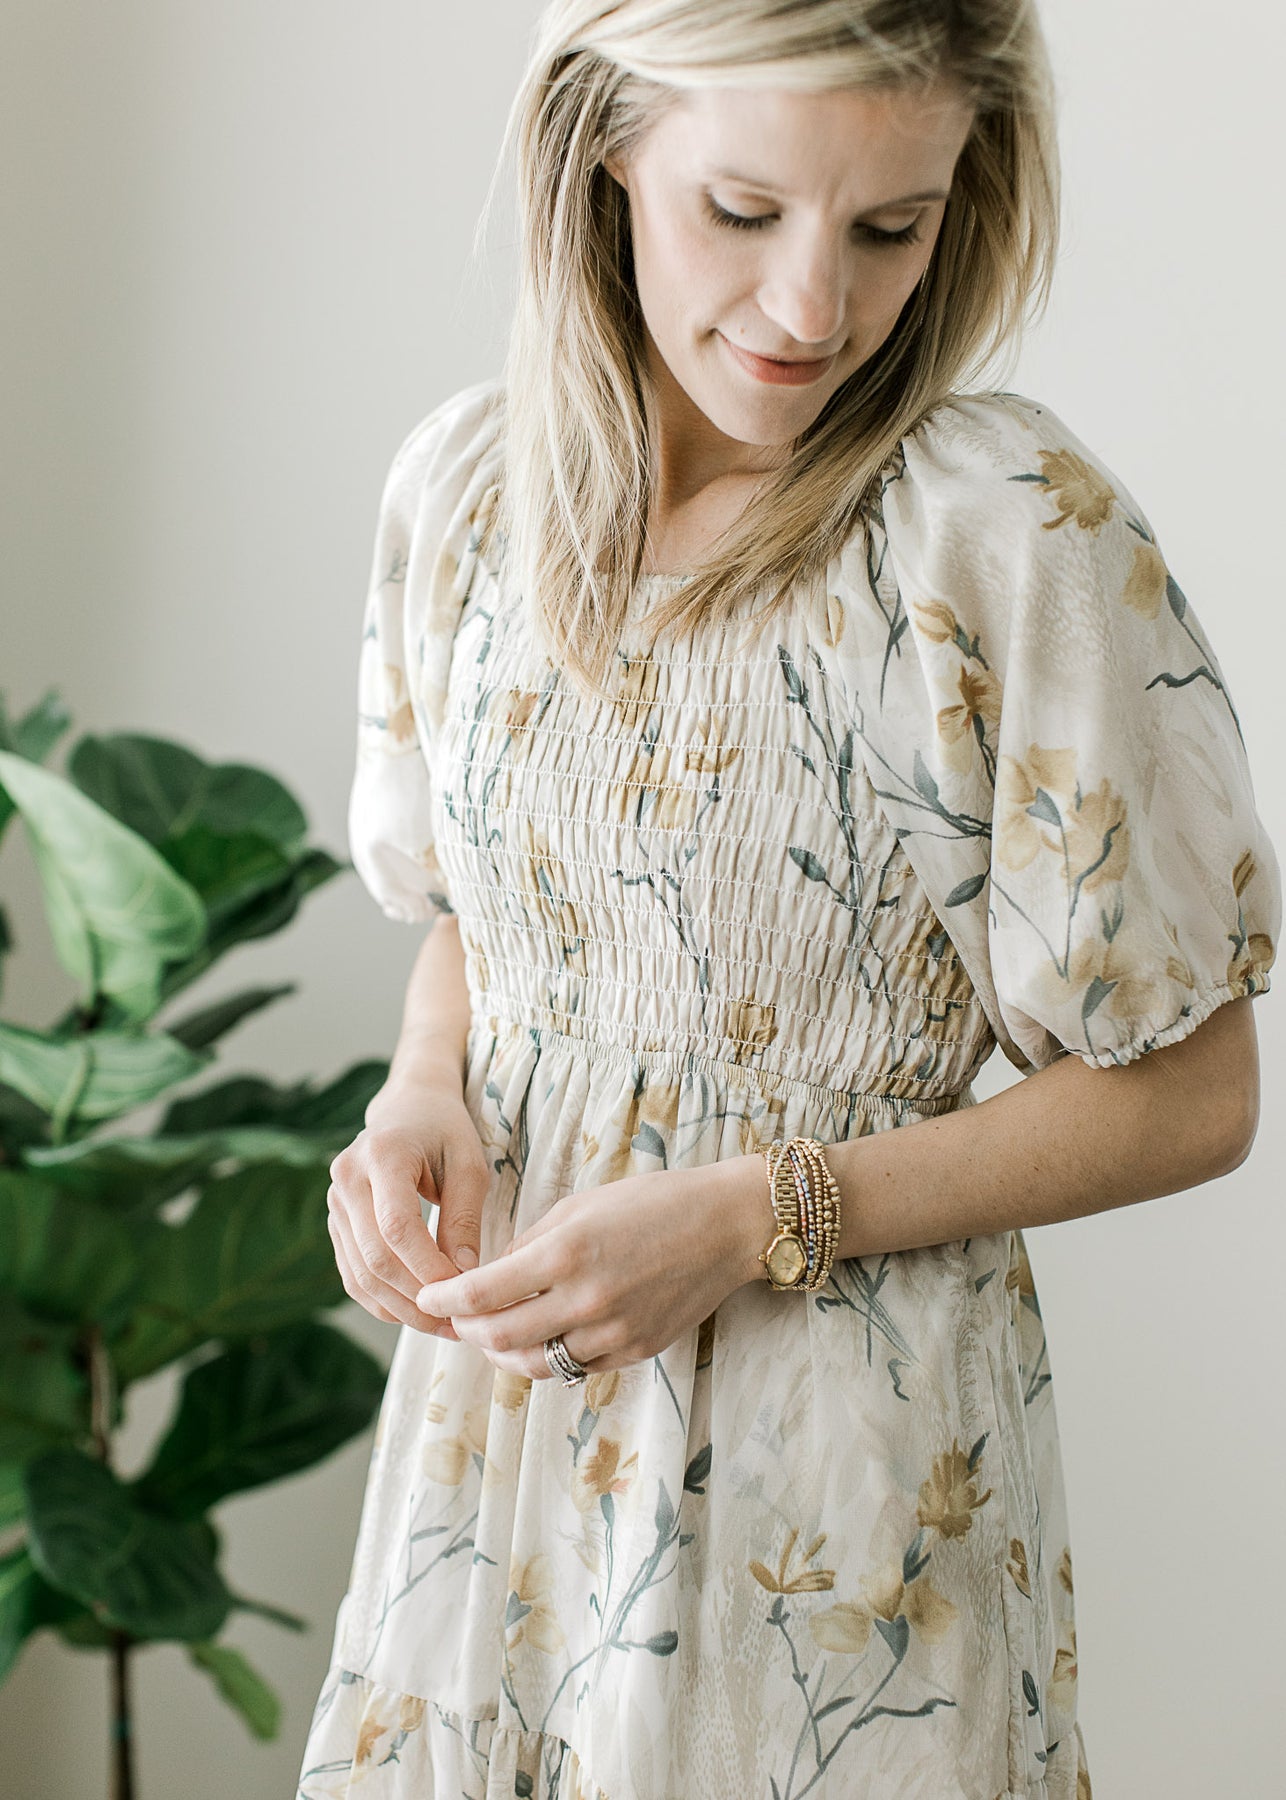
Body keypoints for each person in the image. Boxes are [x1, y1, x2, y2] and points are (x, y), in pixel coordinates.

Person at [298, 3, 1279, 1796]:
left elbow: (1193, 1092)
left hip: (836, 1527)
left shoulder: (997, 527)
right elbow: (482, 915)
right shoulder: (466, 497)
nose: (813, 306)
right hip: (491, 1486)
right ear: (603, 147)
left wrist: (760, 1212)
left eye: (888, 227)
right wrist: (422, 1088)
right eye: (741, 211)